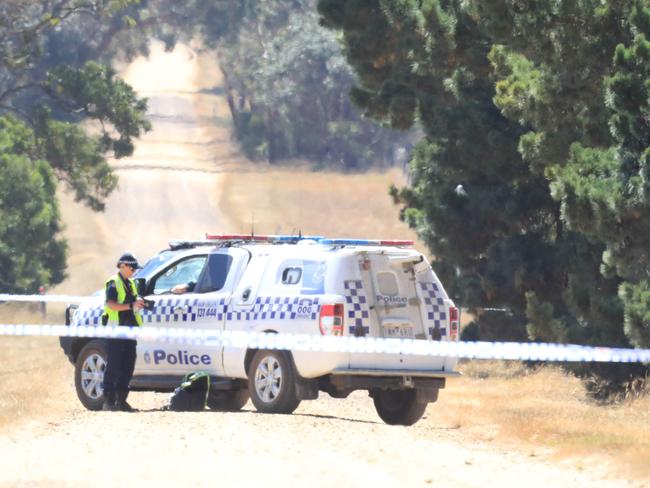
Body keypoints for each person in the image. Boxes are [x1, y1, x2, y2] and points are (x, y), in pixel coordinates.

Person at [101, 252, 145, 412]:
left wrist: (139, 304)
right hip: (116, 331)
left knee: (128, 366)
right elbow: (111, 304)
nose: (134, 270)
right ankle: (109, 401)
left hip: (130, 330)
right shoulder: (113, 282)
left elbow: (132, 303)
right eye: (131, 267)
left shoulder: (131, 283)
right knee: (113, 366)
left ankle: (122, 401)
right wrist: (130, 306)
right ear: (123, 266)